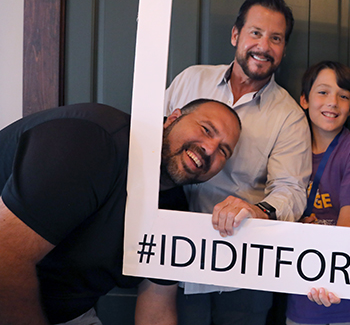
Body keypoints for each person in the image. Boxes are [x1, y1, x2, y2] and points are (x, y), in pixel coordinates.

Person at [0, 99, 241, 325]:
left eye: (224, 151)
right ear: (173, 118)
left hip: (70, 314)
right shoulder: (93, 140)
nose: (209, 149)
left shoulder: (172, 208)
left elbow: (157, 310)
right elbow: (6, 256)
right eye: (206, 129)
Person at [164, 0, 312, 324]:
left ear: (284, 49)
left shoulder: (289, 116)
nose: (264, 45)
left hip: (242, 270)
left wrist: (258, 211)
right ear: (236, 35)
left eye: (276, 38)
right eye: (255, 33)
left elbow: (291, 191)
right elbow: (153, 140)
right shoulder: (191, 80)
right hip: (168, 254)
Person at [285, 61, 350, 325]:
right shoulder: (289, 147)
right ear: (304, 100)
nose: (333, 102)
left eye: (343, 96)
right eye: (323, 92)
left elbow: (348, 228)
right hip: (303, 293)